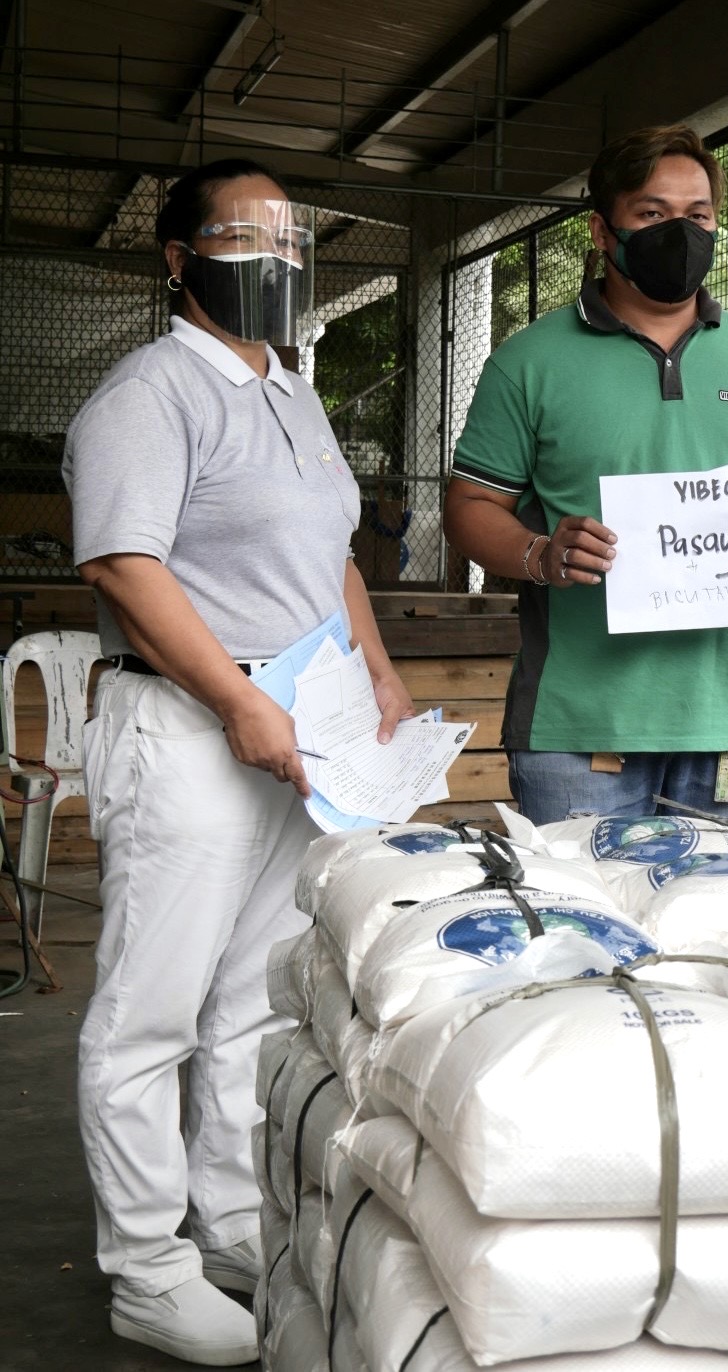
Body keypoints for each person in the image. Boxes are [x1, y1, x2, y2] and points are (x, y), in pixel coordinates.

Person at [63, 158, 413, 1365]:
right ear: (178, 259)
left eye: (292, 238)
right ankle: (145, 1267)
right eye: (242, 237)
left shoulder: (295, 393)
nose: (276, 258)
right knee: (147, 1011)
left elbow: (337, 558)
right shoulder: (147, 393)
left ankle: (227, 1219)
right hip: (191, 727)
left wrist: (374, 665)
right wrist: (235, 698)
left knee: (247, 1001)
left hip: (298, 730)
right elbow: (124, 563)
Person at [443, 124, 728, 826]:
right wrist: (540, 554)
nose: (678, 232)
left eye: (698, 216)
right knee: (585, 936)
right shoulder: (527, 362)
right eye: (651, 215)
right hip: (578, 732)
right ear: (601, 230)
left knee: (718, 934)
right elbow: (470, 504)